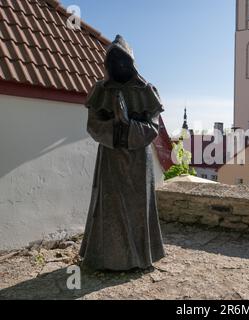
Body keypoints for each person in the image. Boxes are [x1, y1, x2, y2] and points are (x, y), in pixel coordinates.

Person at [80, 35, 166, 271]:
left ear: (131, 63)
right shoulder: (100, 90)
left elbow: (153, 128)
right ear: (107, 63)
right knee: (109, 207)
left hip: (139, 161)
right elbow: (93, 125)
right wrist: (115, 126)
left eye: (123, 60)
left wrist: (128, 125)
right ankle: (107, 258)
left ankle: (138, 257)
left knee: (139, 210)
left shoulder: (146, 91)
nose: (118, 65)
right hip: (110, 159)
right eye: (113, 60)